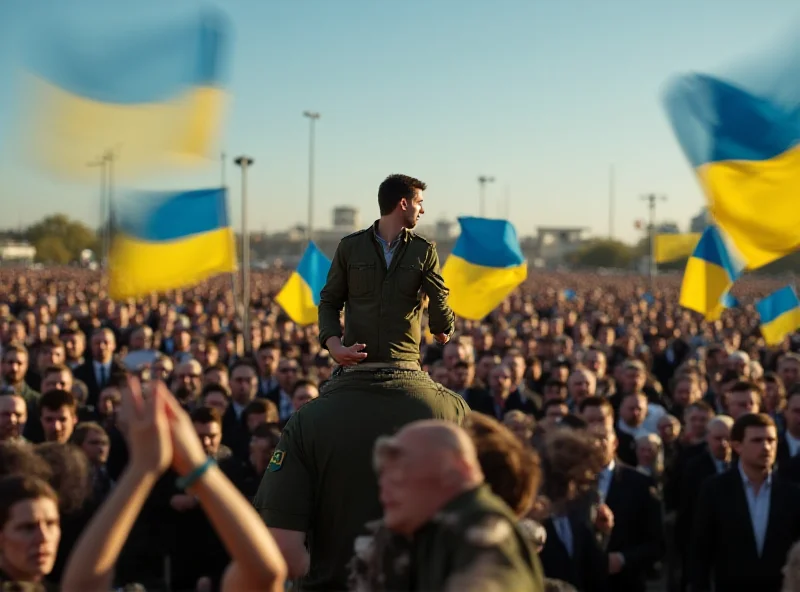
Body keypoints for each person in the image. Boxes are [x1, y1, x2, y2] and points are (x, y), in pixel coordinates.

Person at [369, 420, 544, 590]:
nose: (385, 485)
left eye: (401, 471)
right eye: (383, 474)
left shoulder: (481, 525)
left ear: (455, 468)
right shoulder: (429, 532)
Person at [317, 173, 454, 367]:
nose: (422, 210)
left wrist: (443, 326)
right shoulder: (350, 247)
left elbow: (439, 301)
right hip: (357, 365)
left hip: (404, 364)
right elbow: (329, 301)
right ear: (403, 204)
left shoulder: (423, 250)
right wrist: (334, 347)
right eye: (419, 202)